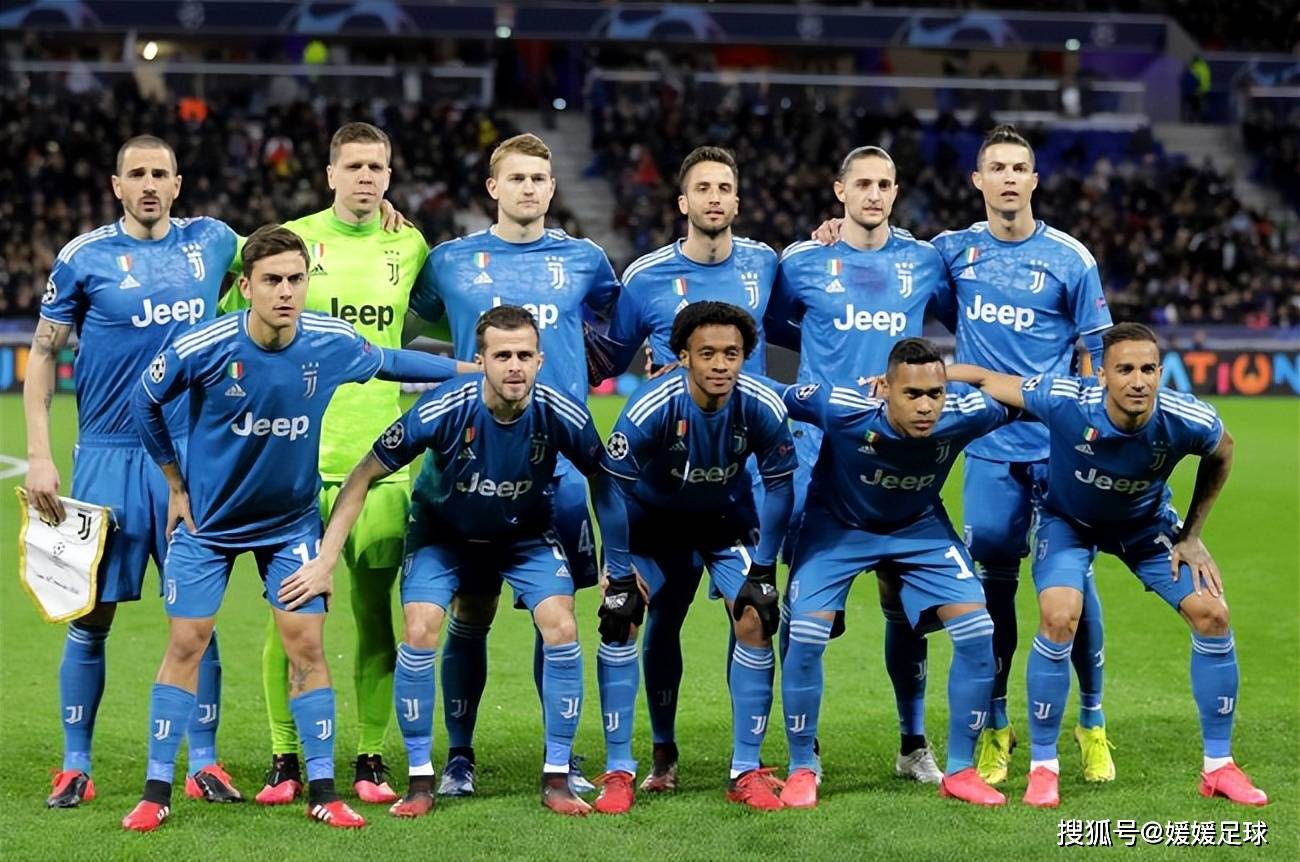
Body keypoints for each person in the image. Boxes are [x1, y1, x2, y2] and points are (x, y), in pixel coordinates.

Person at [121, 225, 465, 832]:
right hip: (210, 524)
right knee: (186, 644)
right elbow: (144, 400)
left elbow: (389, 361)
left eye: (296, 280)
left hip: (289, 526)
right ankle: (155, 791)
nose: (285, 292)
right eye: (272, 281)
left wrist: (470, 369)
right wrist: (174, 483)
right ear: (246, 287)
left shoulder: (329, 342)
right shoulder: (205, 344)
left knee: (306, 645)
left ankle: (323, 791)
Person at [286, 305, 628, 818]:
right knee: (421, 627)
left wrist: (617, 564)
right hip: (442, 535)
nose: (515, 366)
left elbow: (603, 480)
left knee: (561, 626)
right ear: (480, 360)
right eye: (502, 356)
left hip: (525, 535)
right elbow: (363, 474)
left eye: (525, 356)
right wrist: (324, 560)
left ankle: (558, 776)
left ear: (540, 360)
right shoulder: (441, 409)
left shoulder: (562, 412)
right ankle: (423, 779)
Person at [946, 322, 1267, 808]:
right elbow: (988, 380)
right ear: (1102, 374)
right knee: (1059, 616)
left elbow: (1223, 450)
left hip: (1144, 527)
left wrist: (1192, 535)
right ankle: (1044, 769)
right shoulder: (1066, 400)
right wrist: (926, 376)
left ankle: (1219, 767)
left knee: (1213, 614)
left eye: (1148, 369)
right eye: (1125, 369)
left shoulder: (1185, 417)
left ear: (1160, 371)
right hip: (1068, 523)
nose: (1138, 381)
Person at [221, 121, 440, 806]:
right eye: (354, 166)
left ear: (389, 176)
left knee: (376, 616)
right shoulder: (292, 241)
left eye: (377, 167)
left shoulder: (409, 244)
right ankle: (285, 757)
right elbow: (235, 318)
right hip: (293, 464)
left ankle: (370, 757)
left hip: (381, 465)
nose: (366, 177)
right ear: (330, 174)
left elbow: (423, 324)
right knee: (288, 618)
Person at [25, 134, 239, 808]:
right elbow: (42, 356)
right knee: (90, 615)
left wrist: (375, 211)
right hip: (106, 457)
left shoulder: (213, 243)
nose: (149, 184)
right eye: (136, 174)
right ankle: (75, 765)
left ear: (178, 184)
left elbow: (292, 253)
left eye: (160, 174)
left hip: (191, 458)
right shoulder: (83, 258)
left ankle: (205, 762)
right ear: (117, 186)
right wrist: (40, 454)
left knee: (196, 619)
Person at [409, 132, 621, 797]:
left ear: (552, 188)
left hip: (561, 470)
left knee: (554, 614)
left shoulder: (585, 259)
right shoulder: (449, 261)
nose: (529, 188)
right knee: (470, 611)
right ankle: (459, 756)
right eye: (517, 178)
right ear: (493, 187)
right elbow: (410, 322)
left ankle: (560, 757)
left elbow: (620, 325)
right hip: (472, 465)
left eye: (539, 178)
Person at [929, 124, 1114, 785]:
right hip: (988, 450)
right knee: (994, 590)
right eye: (997, 168)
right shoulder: (952, 252)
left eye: (1019, 168)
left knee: (1071, 589)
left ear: (1034, 180)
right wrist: (836, 229)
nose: (1009, 178)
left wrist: (1092, 425)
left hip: (1057, 452)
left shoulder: (1070, 257)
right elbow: (890, 264)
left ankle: (1091, 721)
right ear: (977, 181)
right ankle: (997, 725)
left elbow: (1097, 349)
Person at [765, 146, 951, 783]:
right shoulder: (801, 261)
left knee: (903, 602)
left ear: (896, 192)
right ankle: (805, 748)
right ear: (839, 190)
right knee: (805, 611)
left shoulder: (925, 261)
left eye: (884, 184)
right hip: (817, 458)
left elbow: (962, 315)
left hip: (899, 457)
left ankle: (913, 743)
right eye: (862, 184)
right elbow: (773, 327)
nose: (874, 194)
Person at [597, 145, 779, 790]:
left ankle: (749, 759)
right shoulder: (645, 275)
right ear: (683, 202)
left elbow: (804, 318)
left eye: (724, 188)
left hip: (735, 483)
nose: (714, 198)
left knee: (755, 612)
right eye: (703, 188)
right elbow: (608, 356)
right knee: (650, 617)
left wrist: (834, 232)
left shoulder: (766, 263)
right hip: (661, 481)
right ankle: (659, 757)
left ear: (737, 199)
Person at [778, 338, 1013, 809]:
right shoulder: (844, 408)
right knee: (805, 633)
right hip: (837, 527)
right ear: (884, 389)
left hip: (918, 529)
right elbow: (770, 395)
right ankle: (802, 765)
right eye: (912, 394)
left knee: (977, 631)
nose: (926, 407)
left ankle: (958, 770)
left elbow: (1038, 398)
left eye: (935, 394)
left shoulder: (965, 414)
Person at [594, 302, 795, 813]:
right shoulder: (651, 406)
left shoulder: (761, 404)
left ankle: (745, 770)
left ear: (745, 356)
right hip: (651, 524)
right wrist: (617, 569)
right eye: (707, 353)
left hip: (724, 521)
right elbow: (610, 488)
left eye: (732, 353)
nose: (721, 364)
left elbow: (779, 488)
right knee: (622, 616)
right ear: (683, 356)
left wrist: (764, 569)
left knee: (756, 616)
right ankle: (627, 767)